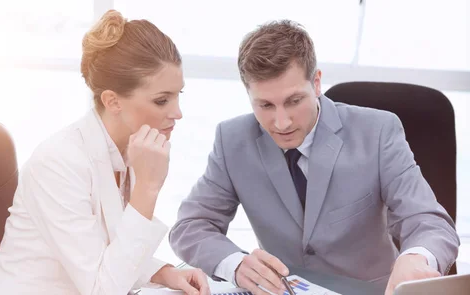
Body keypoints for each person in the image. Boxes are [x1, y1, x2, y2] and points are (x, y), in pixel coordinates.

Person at [168, 20, 459, 295]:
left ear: (316, 83)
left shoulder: (379, 131)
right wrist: (235, 264)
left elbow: (429, 222)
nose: (281, 123)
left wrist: (416, 258)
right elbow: (190, 226)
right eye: (265, 105)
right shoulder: (232, 140)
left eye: (294, 101)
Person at [0, 10, 210, 295]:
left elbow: (109, 250)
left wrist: (162, 272)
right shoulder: (58, 162)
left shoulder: (133, 148)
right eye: (162, 100)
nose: (177, 113)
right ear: (112, 101)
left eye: (178, 96)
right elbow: (102, 289)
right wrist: (148, 189)